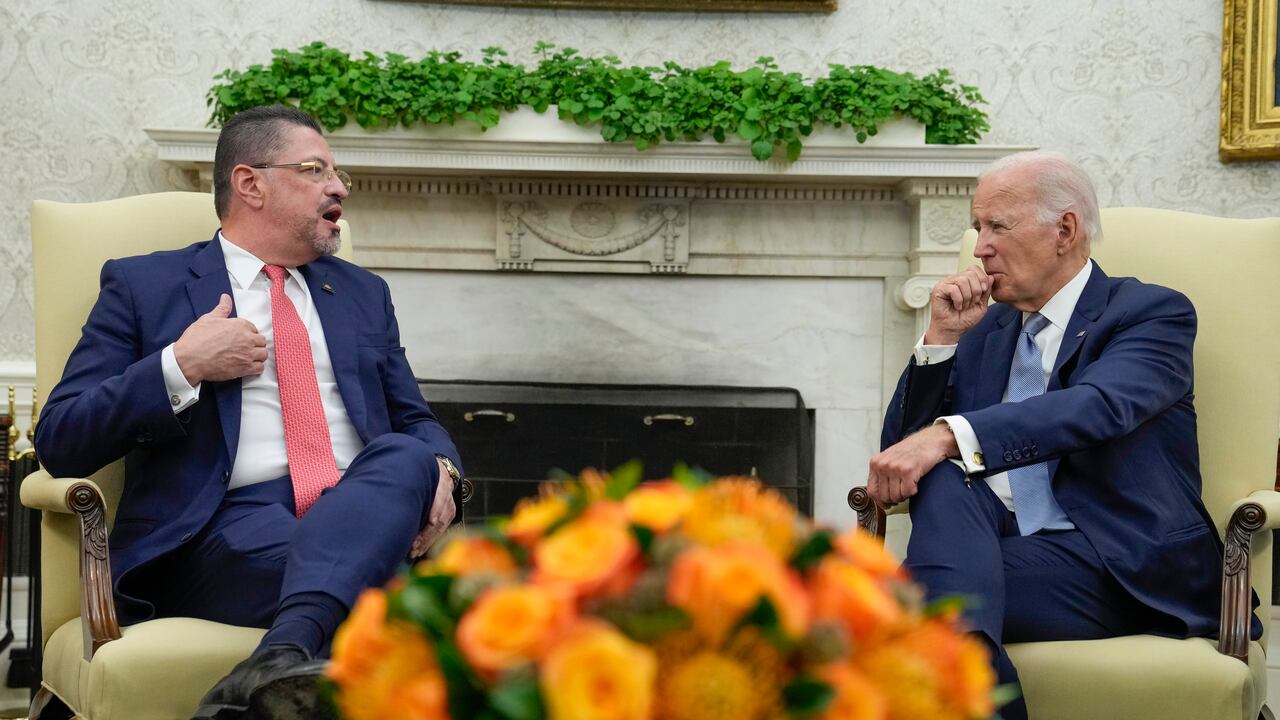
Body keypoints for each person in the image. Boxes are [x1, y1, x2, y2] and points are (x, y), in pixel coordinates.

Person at [34, 105, 464, 720]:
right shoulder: (145, 286)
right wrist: (181, 364)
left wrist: (445, 470)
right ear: (250, 183)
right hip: (222, 529)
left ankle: (275, 662)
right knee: (410, 600)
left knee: (405, 453)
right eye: (316, 170)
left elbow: (416, 420)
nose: (339, 187)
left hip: (363, 505)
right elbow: (61, 438)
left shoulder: (364, 294)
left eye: (338, 173)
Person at [867, 150, 1257, 719]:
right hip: (997, 548)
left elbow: (1097, 408)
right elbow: (901, 460)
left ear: (1065, 230)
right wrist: (941, 339)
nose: (979, 247)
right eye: (978, 228)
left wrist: (949, 436)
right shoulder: (984, 325)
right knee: (945, 486)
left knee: (893, 607)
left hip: (1115, 564)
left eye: (998, 226)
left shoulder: (1150, 313)